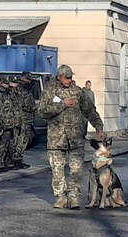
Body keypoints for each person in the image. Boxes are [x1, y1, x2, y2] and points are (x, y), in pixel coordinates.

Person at [38, 65, 105, 209]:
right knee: (57, 171)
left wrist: (98, 126)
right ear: (59, 77)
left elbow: (89, 109)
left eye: (71, 77)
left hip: (75, 138)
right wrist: (62, 104)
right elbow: (42, 111)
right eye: (66, 78)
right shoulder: (50, 91)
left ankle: (73, 197)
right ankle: (61, 197)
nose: (69, 80)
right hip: (57, 139)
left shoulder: (77, 92)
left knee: (76, 170)